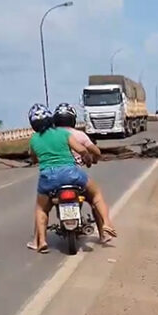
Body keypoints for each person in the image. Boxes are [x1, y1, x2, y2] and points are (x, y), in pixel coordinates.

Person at [25, 103, 117, 253]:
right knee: (96, 194)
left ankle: (40, 241)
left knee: (41, 208)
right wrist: (87, 160)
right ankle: (107, 224)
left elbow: (33, 158)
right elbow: (82, 150)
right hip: (71, 174)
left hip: (48, 178)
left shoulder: (34, 139)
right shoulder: (64, 134)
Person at [52, 102, 115, 242]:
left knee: (42, 207)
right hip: (75, 177)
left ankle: (39, 239)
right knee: (94, 199)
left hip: (54, 178)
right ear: (73, 119)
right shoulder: (79, 135)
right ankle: (104, 232)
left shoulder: (51, 136)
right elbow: (95, 151)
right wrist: (95, 159)